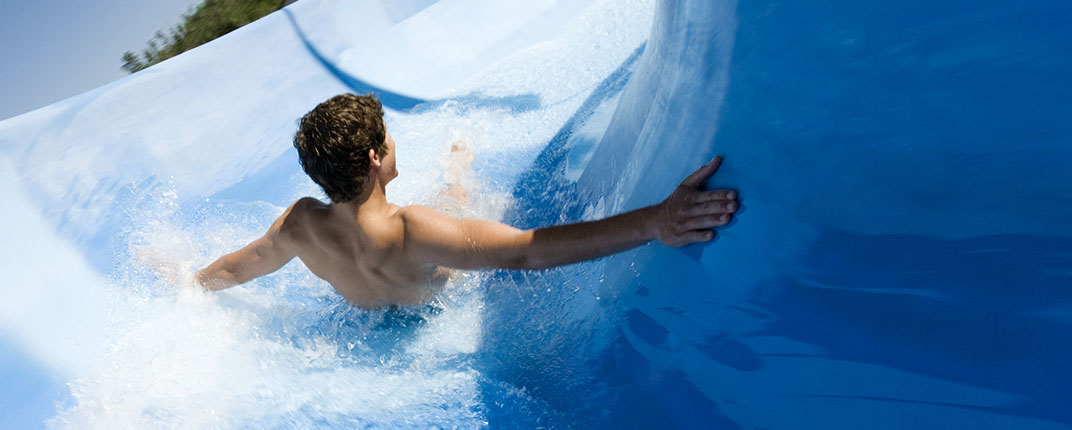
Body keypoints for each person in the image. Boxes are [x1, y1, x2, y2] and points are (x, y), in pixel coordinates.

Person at [190, 94, 738, 309]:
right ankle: (459, 173)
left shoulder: (298, 225)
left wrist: (189, 286)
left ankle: (458, 174)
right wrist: (655, 221)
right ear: (378, 157)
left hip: (367, 317)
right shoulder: (414, 230)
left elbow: (244, 267)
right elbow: (526, 252)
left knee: (448, 209)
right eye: (388, 137)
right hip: (432, 293)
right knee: (456, 207)